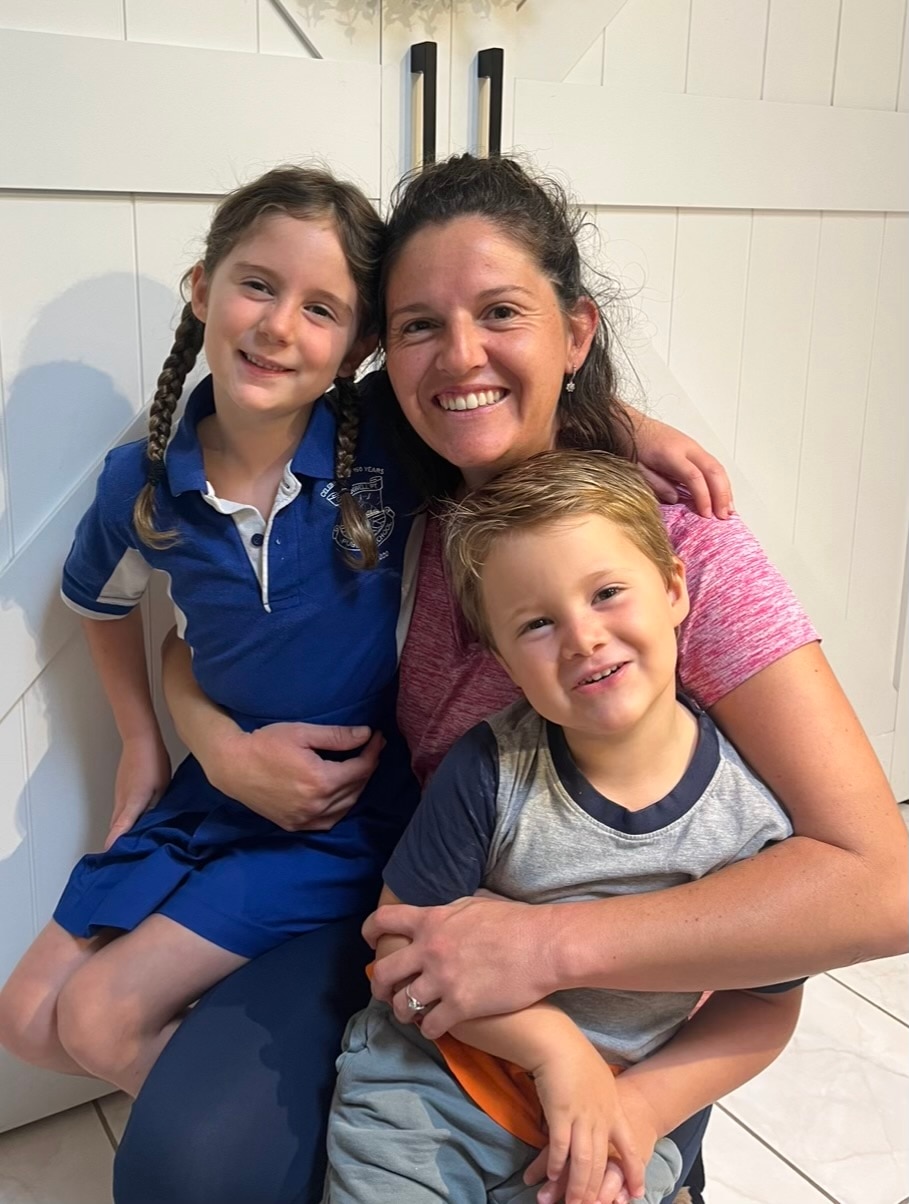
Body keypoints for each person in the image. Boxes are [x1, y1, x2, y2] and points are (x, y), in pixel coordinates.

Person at [114, 154, 906, 1204]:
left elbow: (880, 884)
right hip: (411, 907)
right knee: (182, 1171)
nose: (459, 356)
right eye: (418, 325)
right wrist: (207, 739)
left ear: (575, 331)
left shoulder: (678, 554)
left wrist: (549, 948)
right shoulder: (382, 486)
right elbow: (204, 620)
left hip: (616, 997)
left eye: (500, 312)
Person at [0, 165, 423, 1098]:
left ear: (356, 346)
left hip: (344, 810)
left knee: (98, 1017)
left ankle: (286, 1141)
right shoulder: (142, 485)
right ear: (203, 287)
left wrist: (632, 429)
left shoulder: (387, 444)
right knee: (26, 1019)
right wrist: (143, 742)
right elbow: (100, 604)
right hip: (215, 791)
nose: (278, 326)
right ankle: (254, 1090)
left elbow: (498, 406)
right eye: (258, 285)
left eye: (321, 309)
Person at [324, 449, 804, 1204]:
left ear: (674, 588)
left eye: (607, 593)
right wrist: (554, 1050)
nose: (582, 638)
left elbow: (766, 1003)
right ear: (504, 660)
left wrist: (642, 1109)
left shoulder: (751, 823)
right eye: (538, 623)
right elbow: (398, 944)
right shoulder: (487, 769)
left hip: (616, 1118)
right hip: (433, 1087)